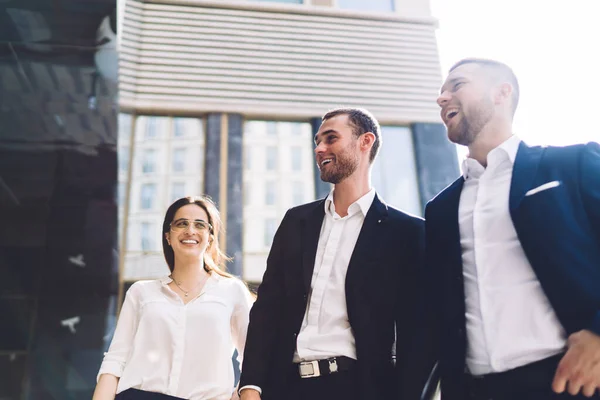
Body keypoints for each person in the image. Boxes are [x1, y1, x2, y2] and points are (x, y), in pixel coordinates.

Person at [424, 58, 600, 400]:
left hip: (571, 382)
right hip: (477, 389)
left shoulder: (572, 165)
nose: (442, 98)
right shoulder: (440, 210)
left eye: (457, 86)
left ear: (502, 93)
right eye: (441, 92)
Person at [238, 108, 430, 400]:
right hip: (284, 387)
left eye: (331, 138)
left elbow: (416, 331)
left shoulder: (407, 232)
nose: (319, 149)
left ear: (365, 142)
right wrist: (250, 385)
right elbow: (268, 308)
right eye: (317, 141)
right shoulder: (296, 222)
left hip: (358, 388)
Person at [93, 196, 253, 400]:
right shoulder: (141, 292)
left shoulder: (232, 291)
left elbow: (253, 362)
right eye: (182, 223)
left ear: (210, 236)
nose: (190, 230)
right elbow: (116, 360)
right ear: (168, 236)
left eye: (200, 225)